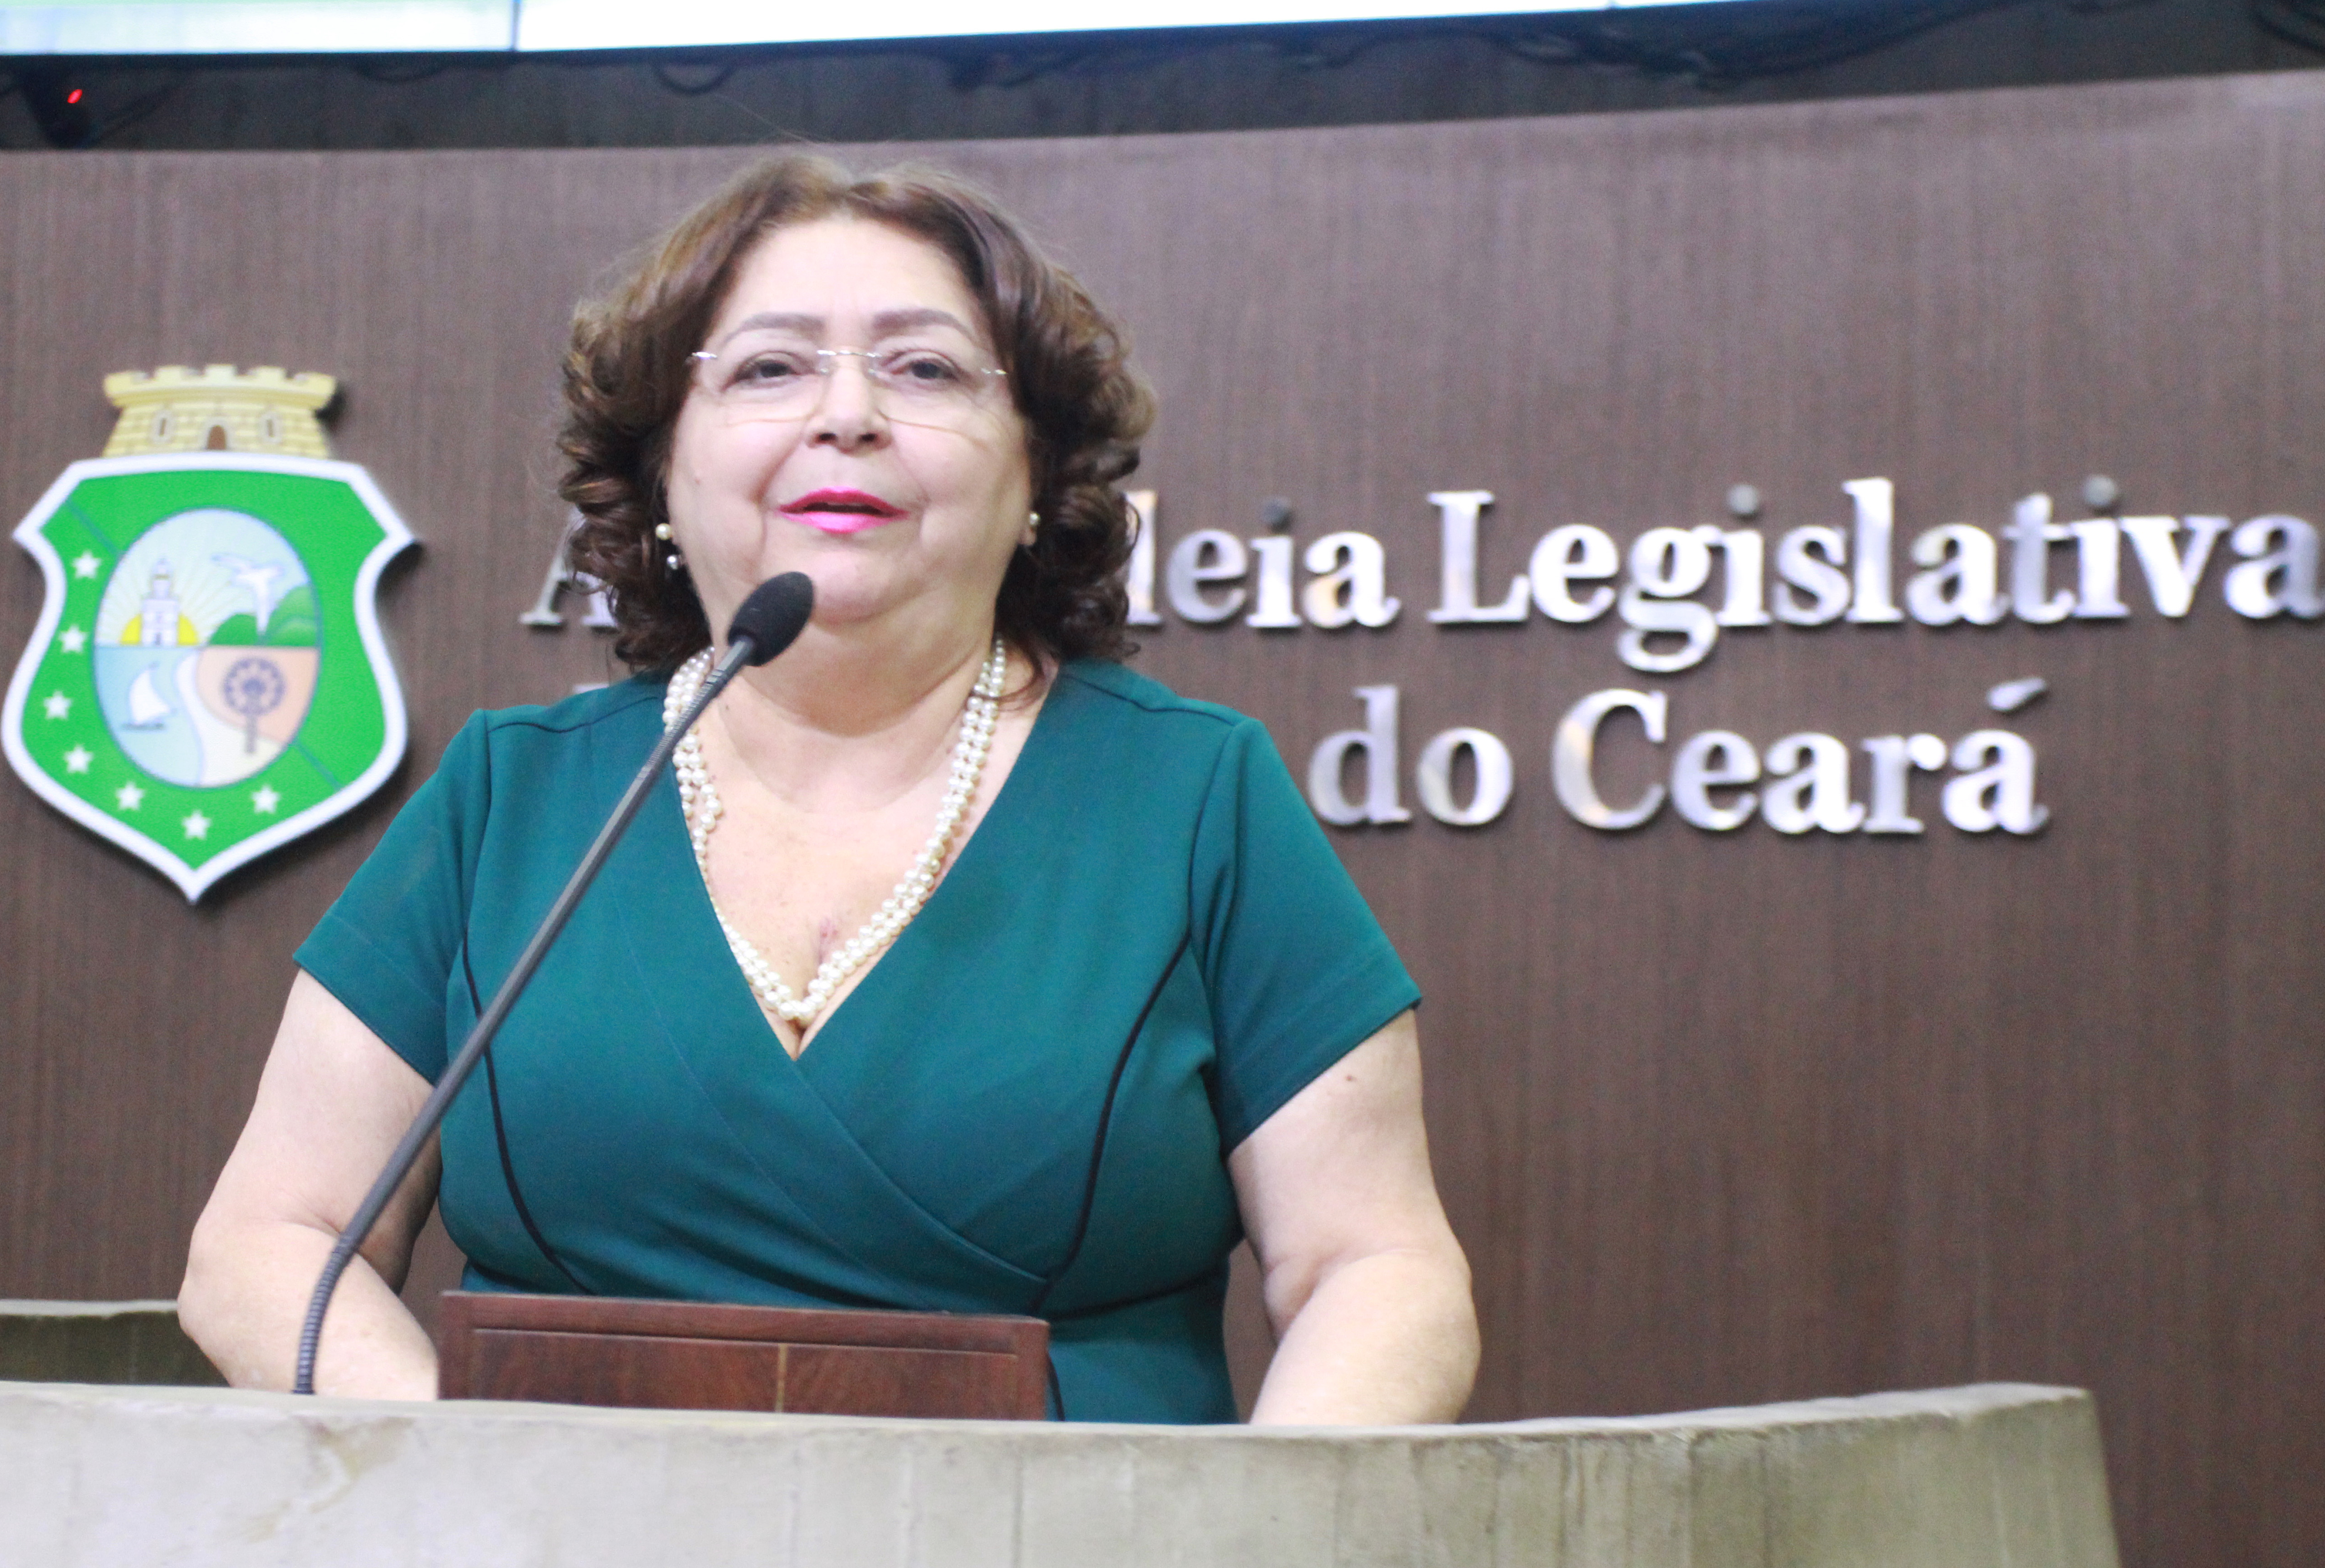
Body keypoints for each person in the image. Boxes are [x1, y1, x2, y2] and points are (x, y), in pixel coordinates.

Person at [179, 155, 1478, 1425]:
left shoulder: (1195, 800)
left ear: (1035, 473)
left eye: (924, 369)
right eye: (769, 368)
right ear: (664, 471)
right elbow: (268, 1243)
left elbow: (1376, 1268)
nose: (847, 413)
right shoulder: (508, 798)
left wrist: (1249, 1523)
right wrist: (464, 1477)